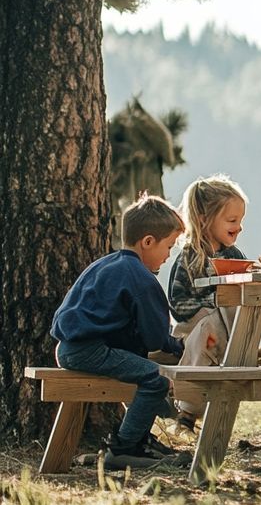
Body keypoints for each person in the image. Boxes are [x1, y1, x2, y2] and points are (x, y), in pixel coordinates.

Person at [51, 194, 189, 470]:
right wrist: (178, 346)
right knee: (155, 379)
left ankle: (139, 441)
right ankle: (124, 448)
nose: (168, 255)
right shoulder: (140, 277)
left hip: (69, 347)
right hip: (89, 351)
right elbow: (153, 338)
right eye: (169, 247)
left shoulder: (106, 264)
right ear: (148, 242)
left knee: (140, 371)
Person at [166, 174, 249, 434]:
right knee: (208, 328)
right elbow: (177, 302)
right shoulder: (190, 258)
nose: (239, 227)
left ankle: (242, 353)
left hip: (227, 331)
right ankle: (187, 412)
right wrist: (211, 303)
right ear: (204, 218)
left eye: (241, 221)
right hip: (193, 330)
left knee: (231, 314)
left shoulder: (233, 256)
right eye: (232, 220)